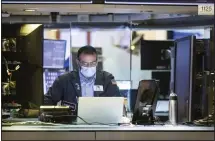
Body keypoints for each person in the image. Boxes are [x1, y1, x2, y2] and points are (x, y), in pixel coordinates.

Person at [44, 45, 121, 112]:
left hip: (101, 124)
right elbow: (47, 102)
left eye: (92, 63)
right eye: (85, 63)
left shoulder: (107, 79)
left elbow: (117, 103)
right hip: (71, 124)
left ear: (97, 62)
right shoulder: (64, 80)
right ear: (78, 62)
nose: (89, 67)